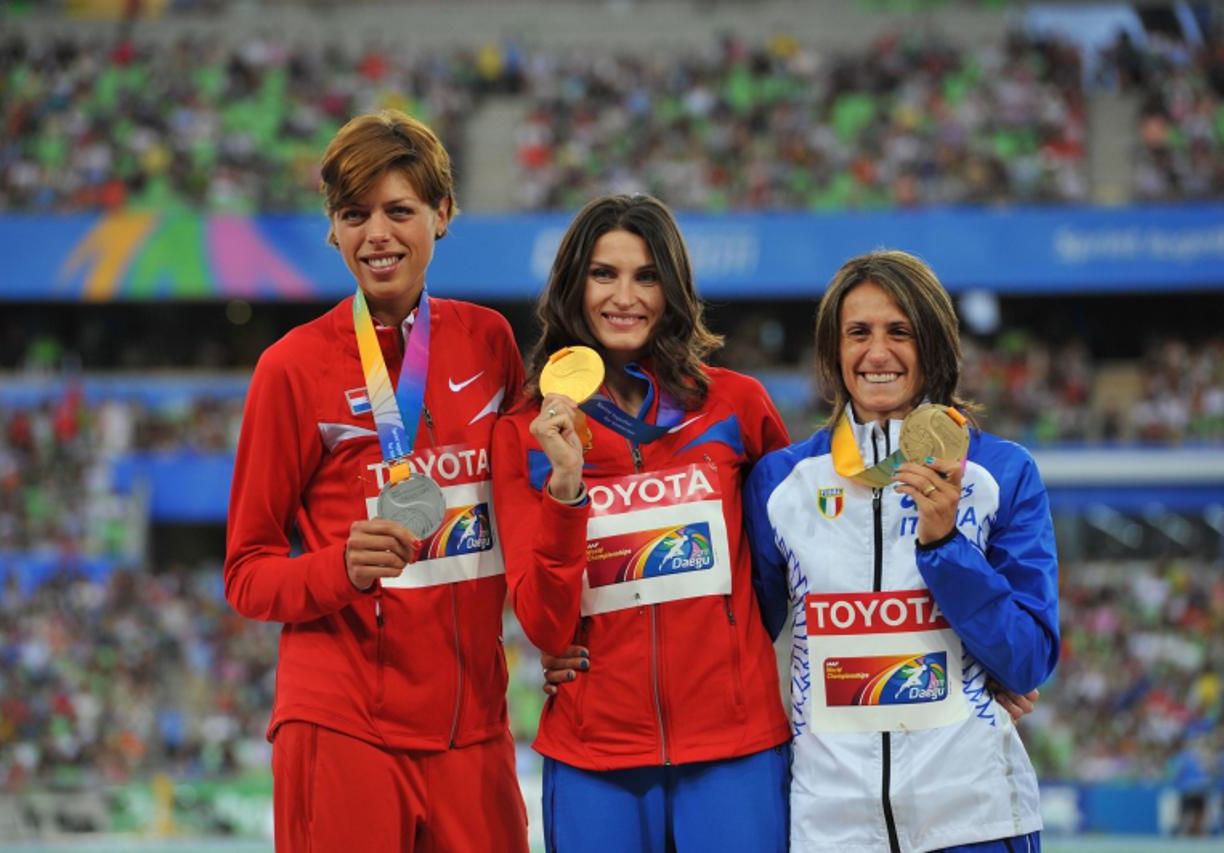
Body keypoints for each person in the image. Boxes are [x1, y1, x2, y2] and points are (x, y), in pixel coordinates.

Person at [224, 109, 529, 853]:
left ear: (443, 214)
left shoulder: (491, 341)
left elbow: (523, 517)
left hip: (471, 722)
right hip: (341, 718)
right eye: (355, 215)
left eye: (400, 210)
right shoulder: (291, 368)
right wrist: (337, 568)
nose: (378, 235)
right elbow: (246, 573)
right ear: (333, 228)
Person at [491, 193, 793, 852]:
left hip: (734, 749)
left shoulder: (737, 406)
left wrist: (732, 645)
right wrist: (566, 488)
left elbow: (789, 565)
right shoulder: (526, 432)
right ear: (574, 285)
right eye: (604, 273)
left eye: (646, 275)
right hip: (594, 755)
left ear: (672, 289)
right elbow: (543, 623)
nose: (625, 295)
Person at [743, 249, 1060, 853]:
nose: (878, 353)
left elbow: (1027, 661)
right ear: (834, 351)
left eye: (900, 332)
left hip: (977, 818)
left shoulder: (1000, 472)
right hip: (831, 825)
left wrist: (946, 547)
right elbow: (737, 639)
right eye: (858, 333)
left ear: (935, 345)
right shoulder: (781, 483)